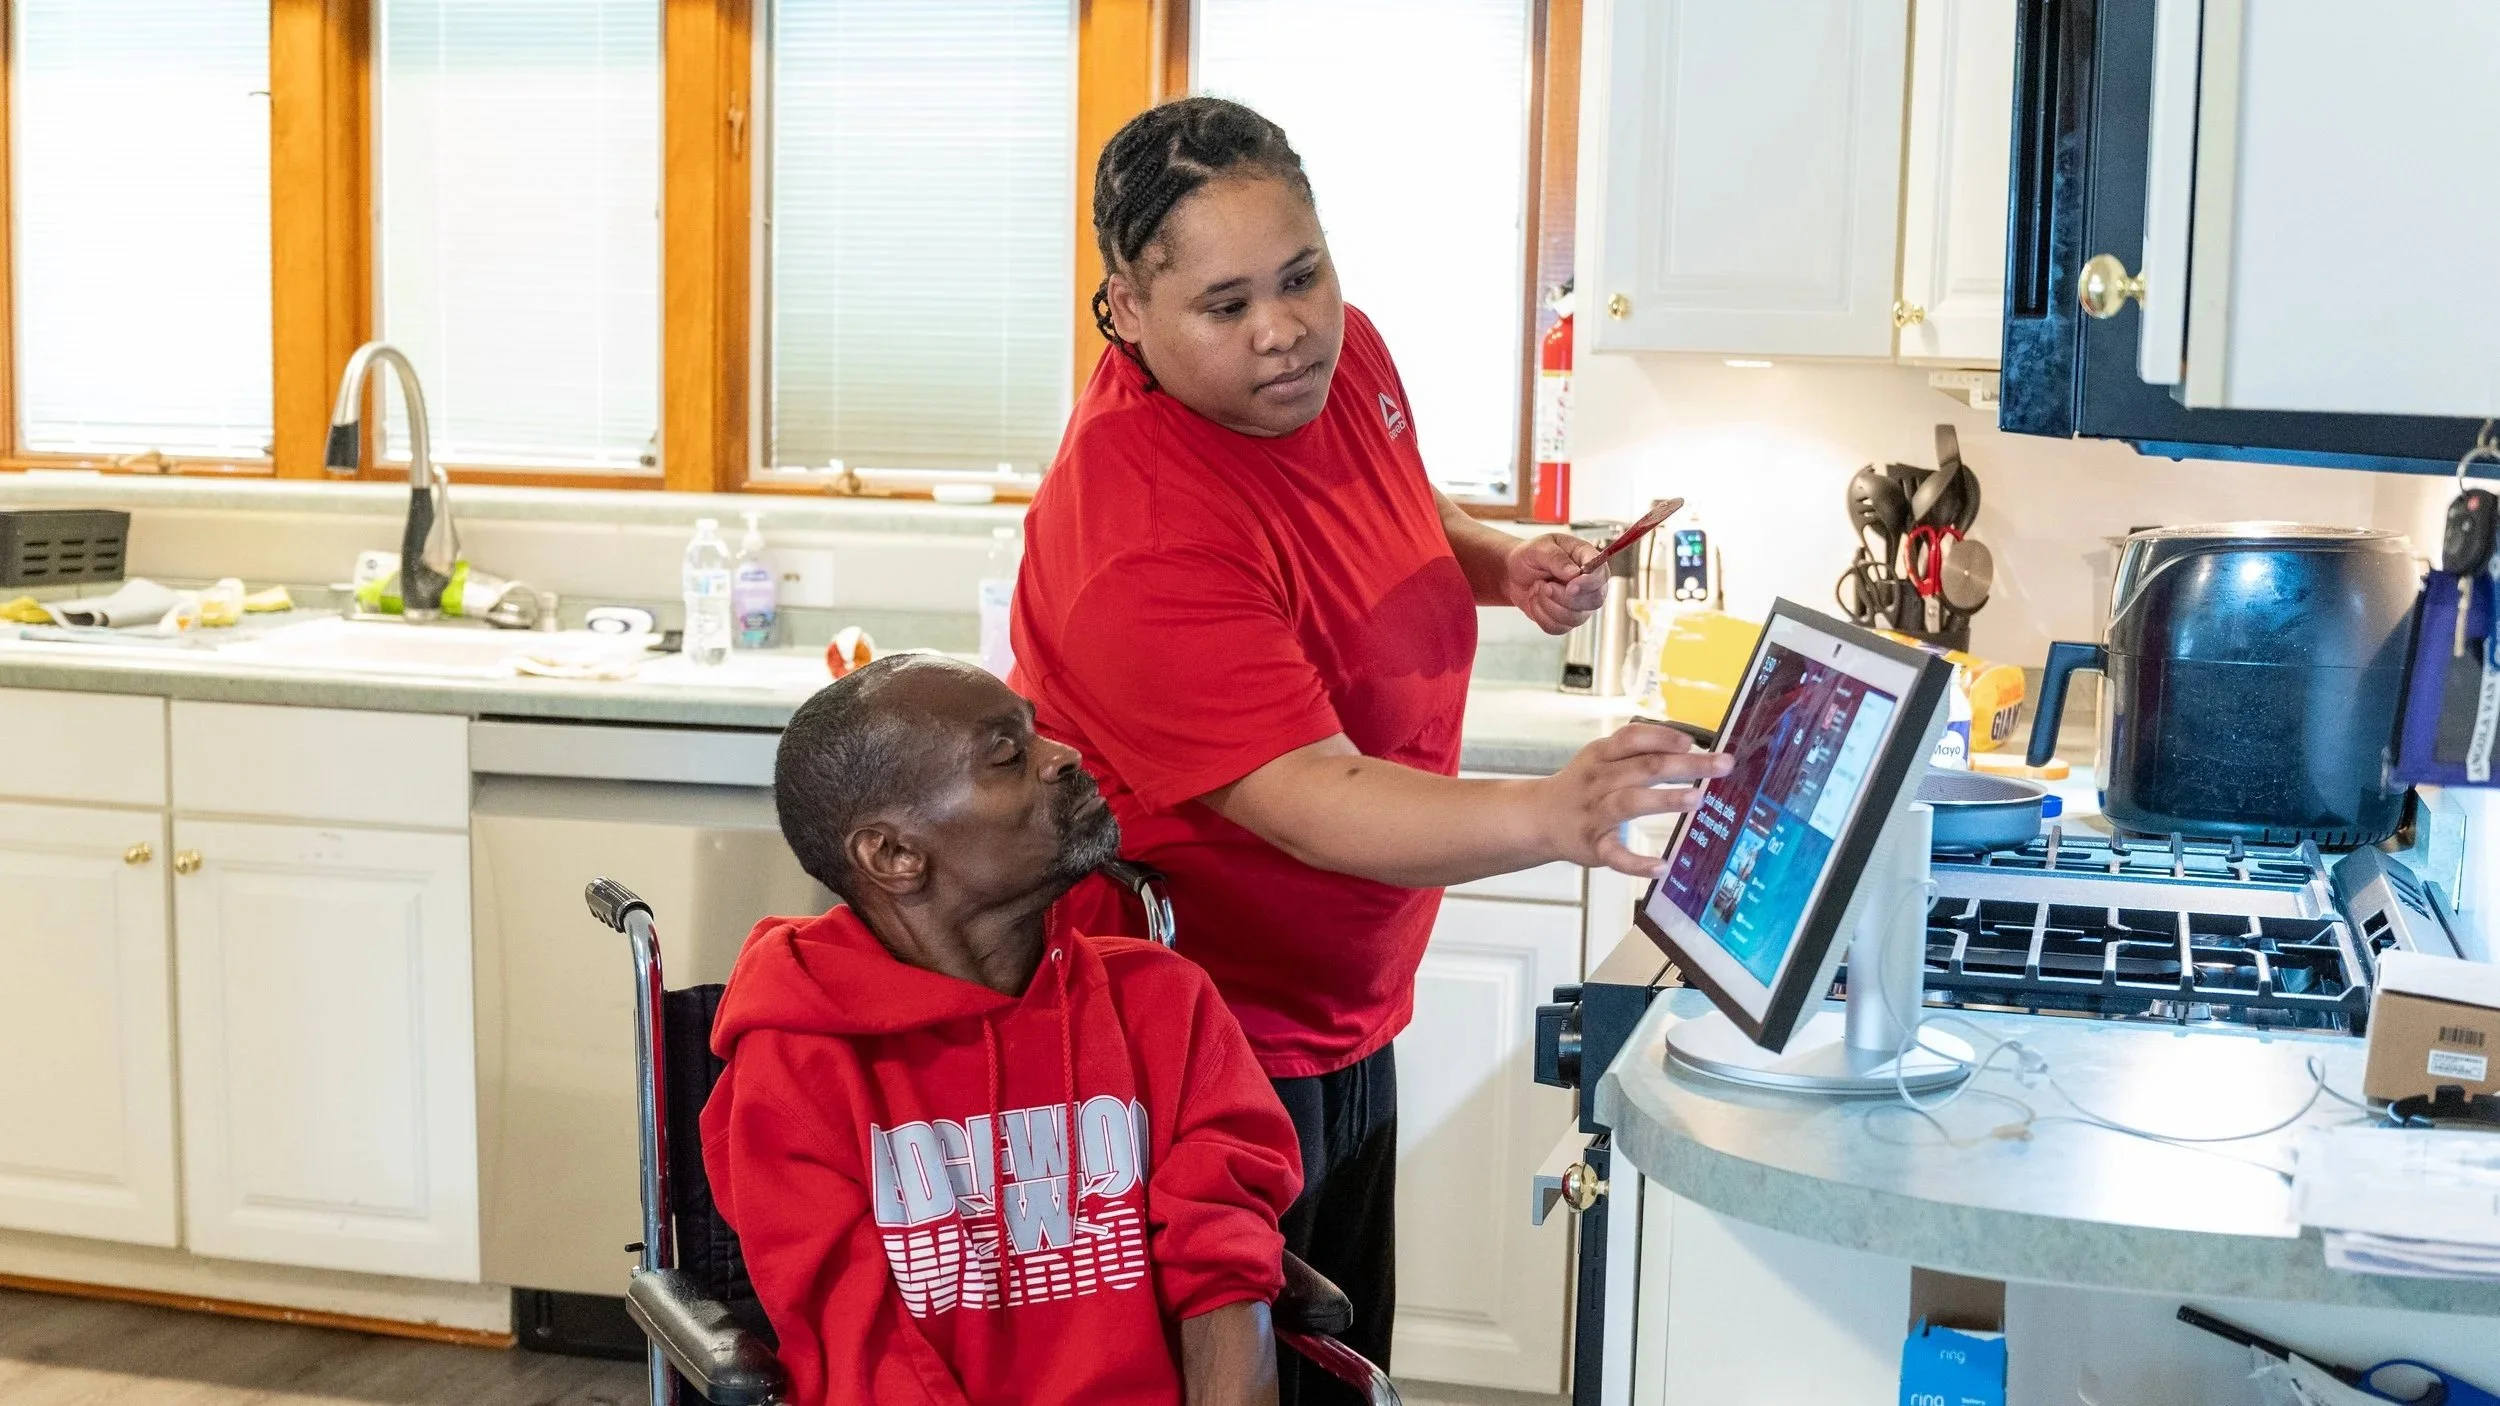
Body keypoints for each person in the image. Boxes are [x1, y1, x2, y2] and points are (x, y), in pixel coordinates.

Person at [1011, 97, 1733, 1402]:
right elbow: (1308, 799)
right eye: (1224, 306)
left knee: (1344, 1371)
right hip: (1190, 1041)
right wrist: (1554, 814)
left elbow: (1397, 504)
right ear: (1125, 309)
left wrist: (1509, 561)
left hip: (1337, 1010)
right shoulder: (1141, 524)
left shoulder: (1339, 368)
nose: (1284, 329)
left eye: (1303, 274)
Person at [702, 654, 1304, 1406]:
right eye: (1009, 756)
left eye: (1036, 734)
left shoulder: (1166, 1004)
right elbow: (866, 1357)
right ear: (894, 855)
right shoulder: (797, 1063)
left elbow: (1225, 1275)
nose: (1066, 757)